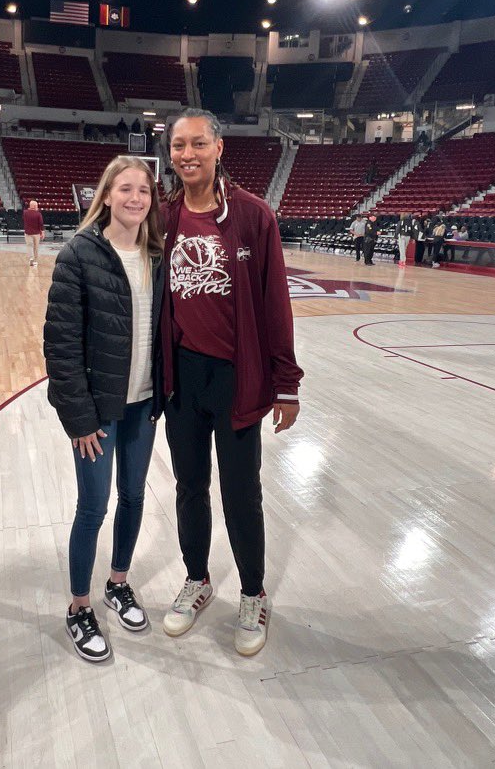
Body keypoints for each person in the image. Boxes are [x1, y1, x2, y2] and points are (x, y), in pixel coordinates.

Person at [161, 109, 303, 657]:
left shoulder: (252, 215)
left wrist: (285, 384)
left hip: (238, 377)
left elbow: (275, 305)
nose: (188, 154)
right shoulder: (166, 215)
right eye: (178, 145)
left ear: (219, 147)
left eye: (198, 143)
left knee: (241, 493)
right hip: (183, 377)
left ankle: (252, 593)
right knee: (189, 486)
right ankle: (197, 580)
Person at [44, 155, 165, 663]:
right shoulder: (78, 254)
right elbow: (60, 344)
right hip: (97, 411)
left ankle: (118, 582)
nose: (136, 198)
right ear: (107, 195)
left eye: (144, 190)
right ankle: (78, 607)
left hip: (142, 405)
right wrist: (79, 417)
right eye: (126, 189)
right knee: (93, 508)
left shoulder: (158, 254)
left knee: (134, 497)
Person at [22, 200, 45, 267]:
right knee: (36, 247)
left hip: (28, 232)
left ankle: (31, 258)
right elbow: (41, 223)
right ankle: (35, 261)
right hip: (36, 233)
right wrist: (42, 232)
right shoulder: (38, 214)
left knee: (29, 246)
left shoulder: (25, 212)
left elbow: (24, 219)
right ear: (35, 206)